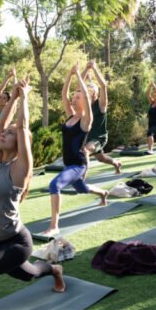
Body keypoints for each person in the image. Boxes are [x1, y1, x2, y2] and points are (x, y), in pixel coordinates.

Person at [0, 76, 64, 310]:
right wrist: (13, 95)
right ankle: (54, 269)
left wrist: (25, 97)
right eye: (4, 132)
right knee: (28, 274)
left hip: (15, 242)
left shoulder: (20, 168)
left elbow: (20, 127)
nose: (4, 134)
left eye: (10, 134)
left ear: (19, 142)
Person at [43, 64, 109, 236]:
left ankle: (54, 225)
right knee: (81, 188)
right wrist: (70, 75)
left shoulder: (86, 121)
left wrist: (80, 76)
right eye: (74, 96)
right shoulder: (70, 116)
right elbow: (63, 95)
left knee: (54, 185)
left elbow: (87, 97)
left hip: (78, 165)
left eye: (77, 97)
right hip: (68, 164)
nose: (73, 99)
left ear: (84, 100)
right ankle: (103, 193)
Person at [80, 60, 122, 174]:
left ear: (95, 93)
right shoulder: (84, 105)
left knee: (85, 151)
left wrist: (94, 69)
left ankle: (81, 179)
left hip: (99, 137)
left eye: (90, 90)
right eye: (86, 90)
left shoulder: (101, 104)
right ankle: (116, 164)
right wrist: (86, 69)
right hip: (88, 138)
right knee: (101, 158)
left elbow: (103, 86)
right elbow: (79, 84)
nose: (87, 92)